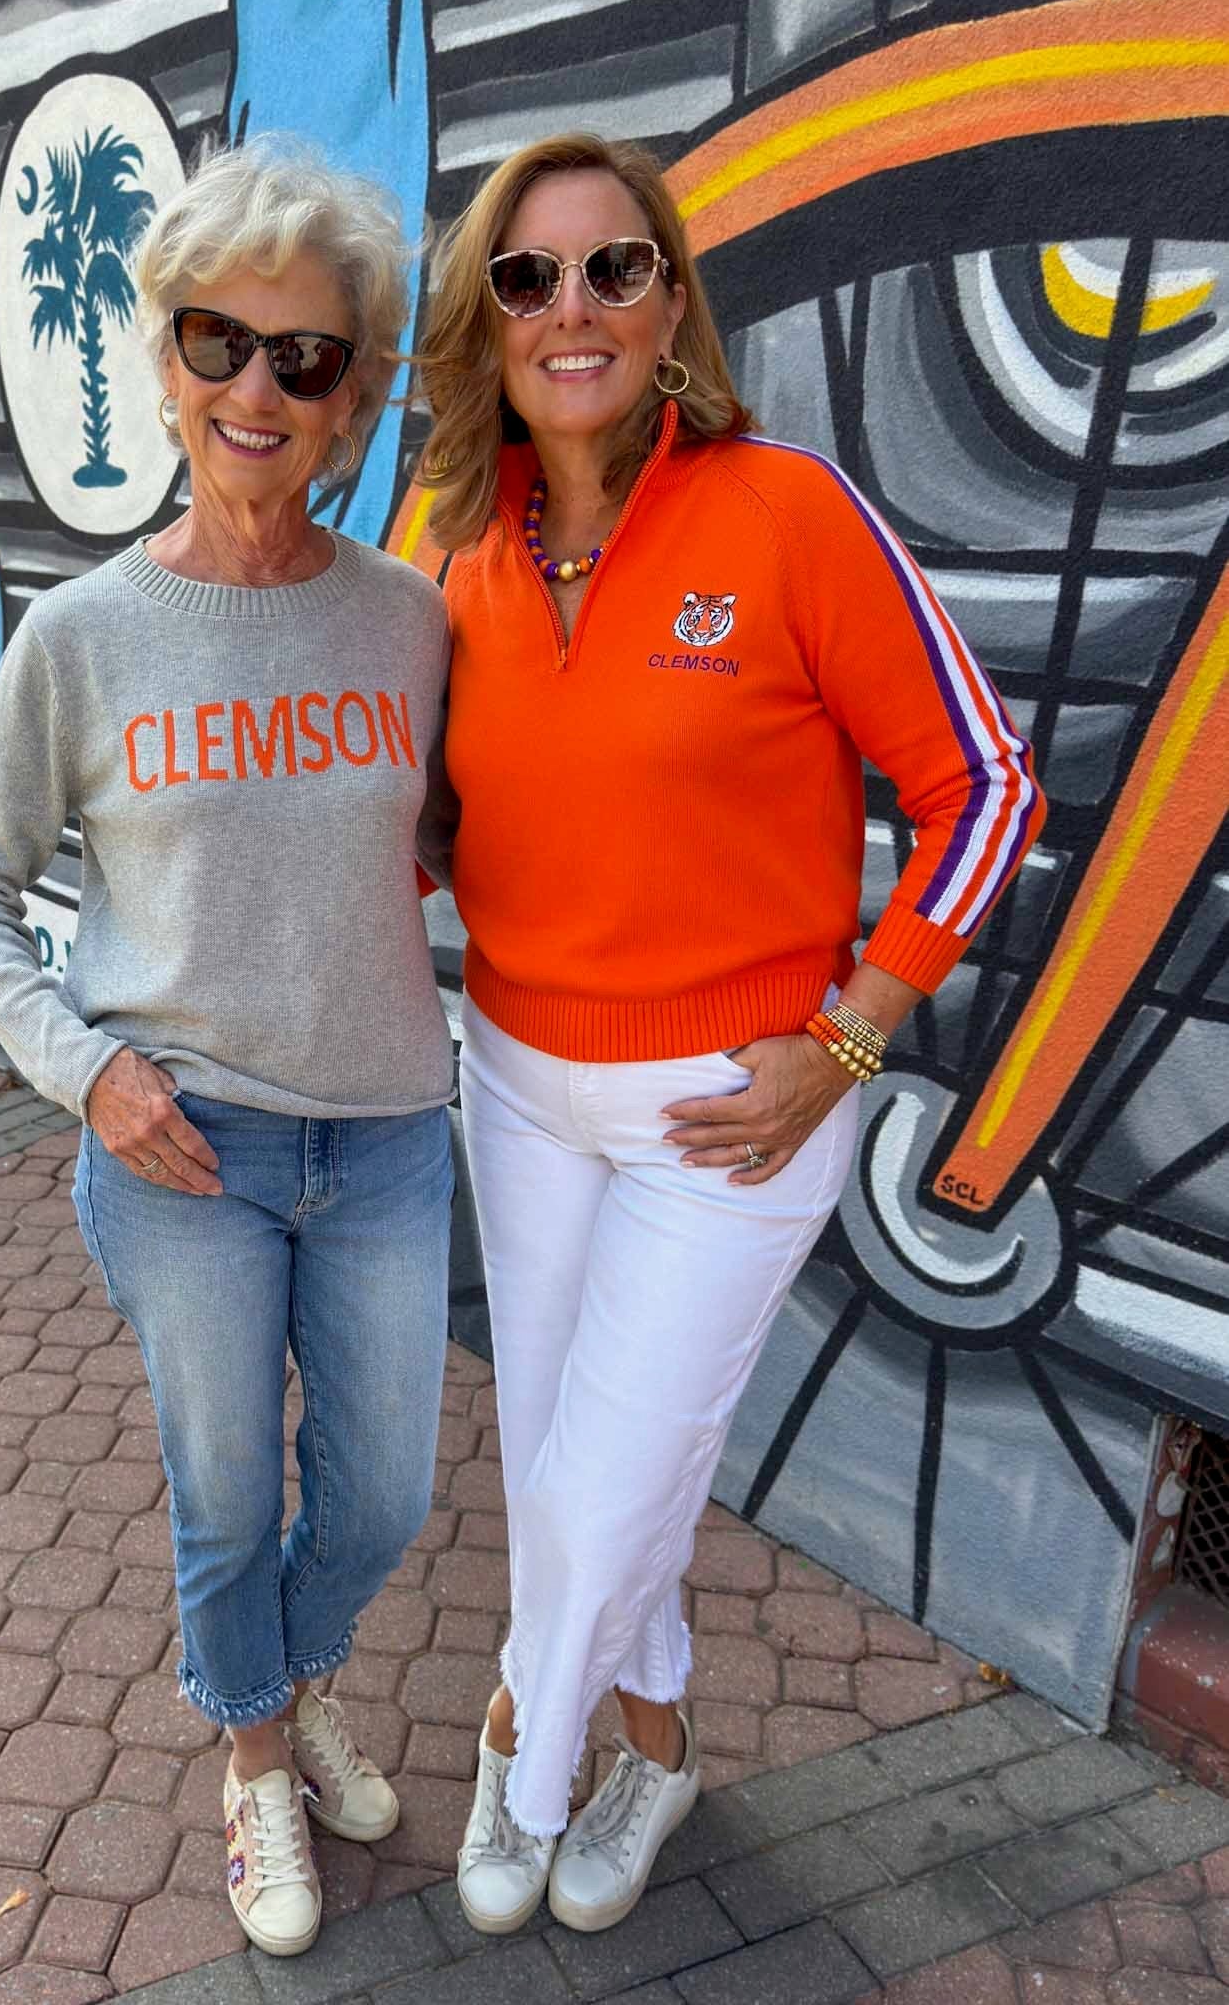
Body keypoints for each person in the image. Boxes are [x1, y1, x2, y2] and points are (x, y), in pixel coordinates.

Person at [414, 132, 1045, 1937]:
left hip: (738, 1106)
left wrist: (850, 1038)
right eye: (528, 277)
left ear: (671, 299)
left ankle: (526, 1751)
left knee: (604, 1482)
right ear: (486, 321)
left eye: (614, 267)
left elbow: (984, 787)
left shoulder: (784, 511)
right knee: (570, 1464)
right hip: (514, 1088)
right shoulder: (458, 555)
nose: (573, 307)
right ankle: (659, 1739)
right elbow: (439, 829)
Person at [0, 138, 456, 1959]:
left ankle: (287, 1687)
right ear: (161, 361)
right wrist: (87, 1069)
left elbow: (470, 842)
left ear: (351, 396)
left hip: (384, 1137)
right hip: (181, 1151)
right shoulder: (82, 639)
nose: (255, 390)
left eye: (303, 358)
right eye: (218, 342)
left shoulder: (408, 622)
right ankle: (252, 1763)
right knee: (227, 1500)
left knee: (383, 1493)